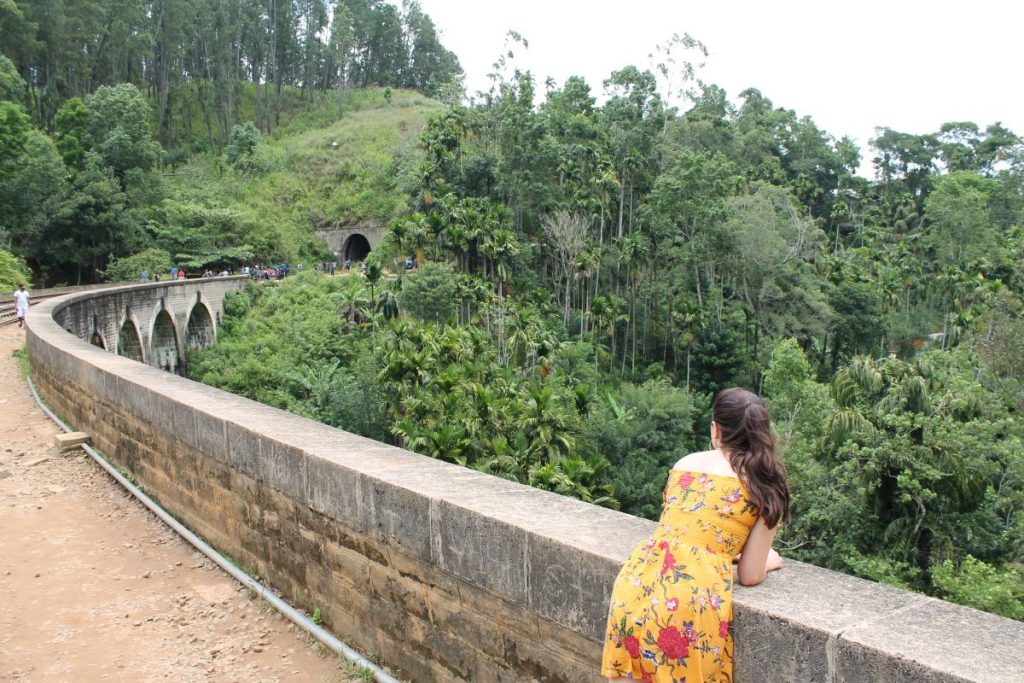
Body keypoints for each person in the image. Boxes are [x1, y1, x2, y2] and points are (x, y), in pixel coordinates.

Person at [601, 387, 789, 682]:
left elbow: (685, 534)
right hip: (688, 600)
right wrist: (770, 560)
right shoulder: (764, 483)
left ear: (716, 430)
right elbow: (750, 574)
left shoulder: (684, 465)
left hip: (636, 584)